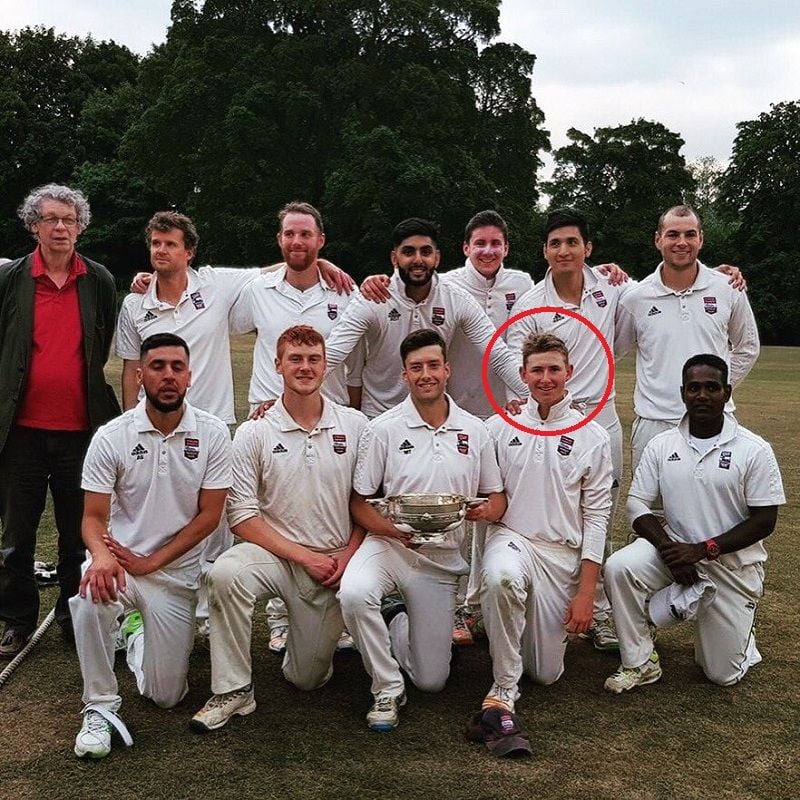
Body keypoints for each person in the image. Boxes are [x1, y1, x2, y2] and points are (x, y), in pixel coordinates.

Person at [191, 325, 367, 732]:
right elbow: (241, 516)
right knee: (225, 574)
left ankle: (312, 640)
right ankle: (234, 689)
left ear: (325, 365)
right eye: (295, 359)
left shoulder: (356, 426)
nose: (305, 367)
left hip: (330, 565)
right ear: (278, 365)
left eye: (313, 359)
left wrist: (347, 557)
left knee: (307, 680)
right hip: (274, 557)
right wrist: (303, 556)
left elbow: (367, 505)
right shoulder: (254, 431)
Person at [70, 333, 232, 758]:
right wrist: (101, 556)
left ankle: (136, 633)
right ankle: (99, 705)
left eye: (177, 367)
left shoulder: (213, 433)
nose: (168, 376)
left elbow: (210, 515)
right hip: (121, 565)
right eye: (157, 366)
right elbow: (92, 517)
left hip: (175, 574)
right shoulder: (112, 436)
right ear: (141, 375)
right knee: (90, 593)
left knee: (166, 696)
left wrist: (154, 561)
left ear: (190, 376)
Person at [339, 329, 506, 731]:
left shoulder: (475, 430)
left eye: (433, 365)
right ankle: (386, 686)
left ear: (447, 369)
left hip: (441, 559)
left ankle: (397, 620)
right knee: (355, 593)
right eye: (416, 367)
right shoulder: (383, 428)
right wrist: (395, 531)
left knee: (432, 681)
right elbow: (359, 502)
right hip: (389, 546)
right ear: (405, 375)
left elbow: (496, 496)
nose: (425, 374)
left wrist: (486, 511)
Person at [603, 354, 785, 693]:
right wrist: (671, 551)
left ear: (727, 392)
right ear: (683, 393)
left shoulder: (754, 449)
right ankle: (640, 661)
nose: (702, 395)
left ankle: (742, 634)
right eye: (694, 388)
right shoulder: (662, 445)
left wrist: (704, 550)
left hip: (730, 567)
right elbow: (637, 504)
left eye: (712, 388)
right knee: (619, 567)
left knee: (720, 674)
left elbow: (765, 520)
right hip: (675, 555)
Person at [229, 201, 364, 653]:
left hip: (331, 416)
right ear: (279, 239)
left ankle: (337, 609)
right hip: (268, 417)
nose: (297, 242)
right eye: (289, 234)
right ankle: (280, 617)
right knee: (276, 509)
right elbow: (213, 304)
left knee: (333, 511)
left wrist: (353, 415)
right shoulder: (258, 289)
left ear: (321, 240)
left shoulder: (346, 292)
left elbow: (355, 364)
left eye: (306, 234)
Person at [506, 208, 635, 651]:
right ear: (545, 251)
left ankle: (598, 610)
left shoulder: (612, 287)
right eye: (555, 243)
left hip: (601, 420)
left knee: (599, 515)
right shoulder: (529, 304)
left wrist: (720, 275)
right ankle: (531, 597)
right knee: (551, 516)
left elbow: (660, 292)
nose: (564, 251)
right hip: (549, 423)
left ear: (588, 248)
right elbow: (516, 362)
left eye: (572, 242)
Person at [0, 184, 120, 659]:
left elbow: (101, 342)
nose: (60, 227)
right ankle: (17, 622)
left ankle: (74, 618)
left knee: (78, 535)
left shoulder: (98, 279)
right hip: (21, 431)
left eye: (69, 219)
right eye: (50, 219)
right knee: (17, 537)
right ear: (34, 226)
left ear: (80, 227)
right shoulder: (11, 278)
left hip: (82, 433)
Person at [481, 333, 612, 711]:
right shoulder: (498, 427)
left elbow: (597, 516)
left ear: (569, 371)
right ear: (523, 374)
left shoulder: (593, 436)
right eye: (536, 370)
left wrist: (586, 594)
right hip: (512, 539)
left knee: (544, 673)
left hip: (560, 556)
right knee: (502, 578)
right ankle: (504, 685)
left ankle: (515, 628)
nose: (545, 378)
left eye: (554, 369)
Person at [323, 218, 527, 420]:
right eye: (408, 252)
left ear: (437, 258)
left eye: (426, 252)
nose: (418, 260)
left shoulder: (456, 299)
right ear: (394, 258)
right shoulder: (373, 298)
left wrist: (535, 396)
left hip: (433, 417)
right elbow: (332, 354)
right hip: (379, 415)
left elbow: (498, 355)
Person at [619, 205, 760, 471]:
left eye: (690, 234)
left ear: (701, 239)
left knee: (717, 497)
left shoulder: (728, 287)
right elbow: (612, 351)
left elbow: (748, 347)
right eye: (673, 234)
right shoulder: (636, 297)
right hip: (655, 423)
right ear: (658, 240)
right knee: (649, 498)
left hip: (716, 419)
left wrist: (716, 388)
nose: (682, 242)